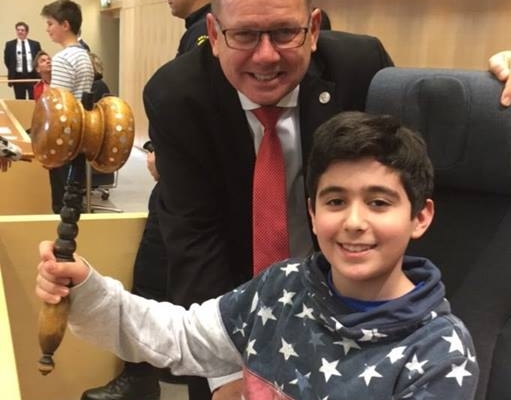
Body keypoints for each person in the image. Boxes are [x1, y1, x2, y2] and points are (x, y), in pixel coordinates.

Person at [143, 0, 511, 396]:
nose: (265, 56)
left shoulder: (359, 67)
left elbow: (444, 139)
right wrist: (226, 376)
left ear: (314, 29)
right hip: (237, 311)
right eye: (244, 35)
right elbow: (194, 238)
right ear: (214, 34)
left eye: (284, 32)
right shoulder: (177, 96)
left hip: (351, 323)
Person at [35, 111, 480, 399]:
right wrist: (87, 289)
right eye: (335, 201)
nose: (354, 222)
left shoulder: (439, 352)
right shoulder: (284, 285)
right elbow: (183, 336)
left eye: (379, 202)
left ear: (420, 217)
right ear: (312, 212)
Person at [79, 2, 212, 400]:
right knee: (157, 277)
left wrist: (165, 161)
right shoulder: (196, 30)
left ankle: (146, 377)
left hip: (190, 192)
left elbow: (199, 121)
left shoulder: (206, 32)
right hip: (179, 185)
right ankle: (144, 375)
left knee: (162, 279)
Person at [40, 0, 94, 214]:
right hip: (80, 136)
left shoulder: (63, 58)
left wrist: (49, 150)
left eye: (50, 24)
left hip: (64, 139)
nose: (47, 29)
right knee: (73, 199)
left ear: (65, 25)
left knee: (61, 202)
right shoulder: (84, 54)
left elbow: (57, 110)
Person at [3, 22, 42, 99]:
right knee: (20, 99)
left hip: (32, 76)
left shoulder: (35, 44)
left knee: (33, 99)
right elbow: (7, 61)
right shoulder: (10, 44)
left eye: (22, 30)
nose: (20, 32)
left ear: (27, 32)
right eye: (18, 30)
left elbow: (39, 59)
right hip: (18, 77)